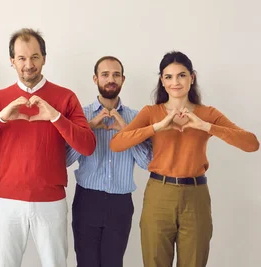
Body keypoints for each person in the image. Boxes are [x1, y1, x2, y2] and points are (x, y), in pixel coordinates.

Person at [109, 51, 259, 267]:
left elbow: (251, 144)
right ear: (162, 80)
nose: (175, 82)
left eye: (181, 75)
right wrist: (158, 127)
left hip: (195, 196)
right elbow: (116, 144)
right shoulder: (152, 112)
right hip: (159, 194)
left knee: (194, 262)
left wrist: (205, 126)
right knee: (154, 261)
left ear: (192, 77)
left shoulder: (207, 114)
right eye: (168, 77)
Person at [0, 28, 96, 267]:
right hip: (7, 201)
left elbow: (87, 146)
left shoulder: (65, 97)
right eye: (22, 58)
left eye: (35, 57)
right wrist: (1, 118)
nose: (28, 64)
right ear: (12, 61)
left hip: (51, 200)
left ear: (44, 58)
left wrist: (55, 116)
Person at [66, 56, 152, 267]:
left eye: (116, 74)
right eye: (105, 74)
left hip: (120, 203)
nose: (110, 79)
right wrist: (88, 128)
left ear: (123, 79)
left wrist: (127, 131)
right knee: (86, 263)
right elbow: (65, 159)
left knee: (114, 263)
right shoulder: (80, 116)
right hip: (87, 200)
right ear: (95, 78)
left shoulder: (136, 118)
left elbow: (147, 162)